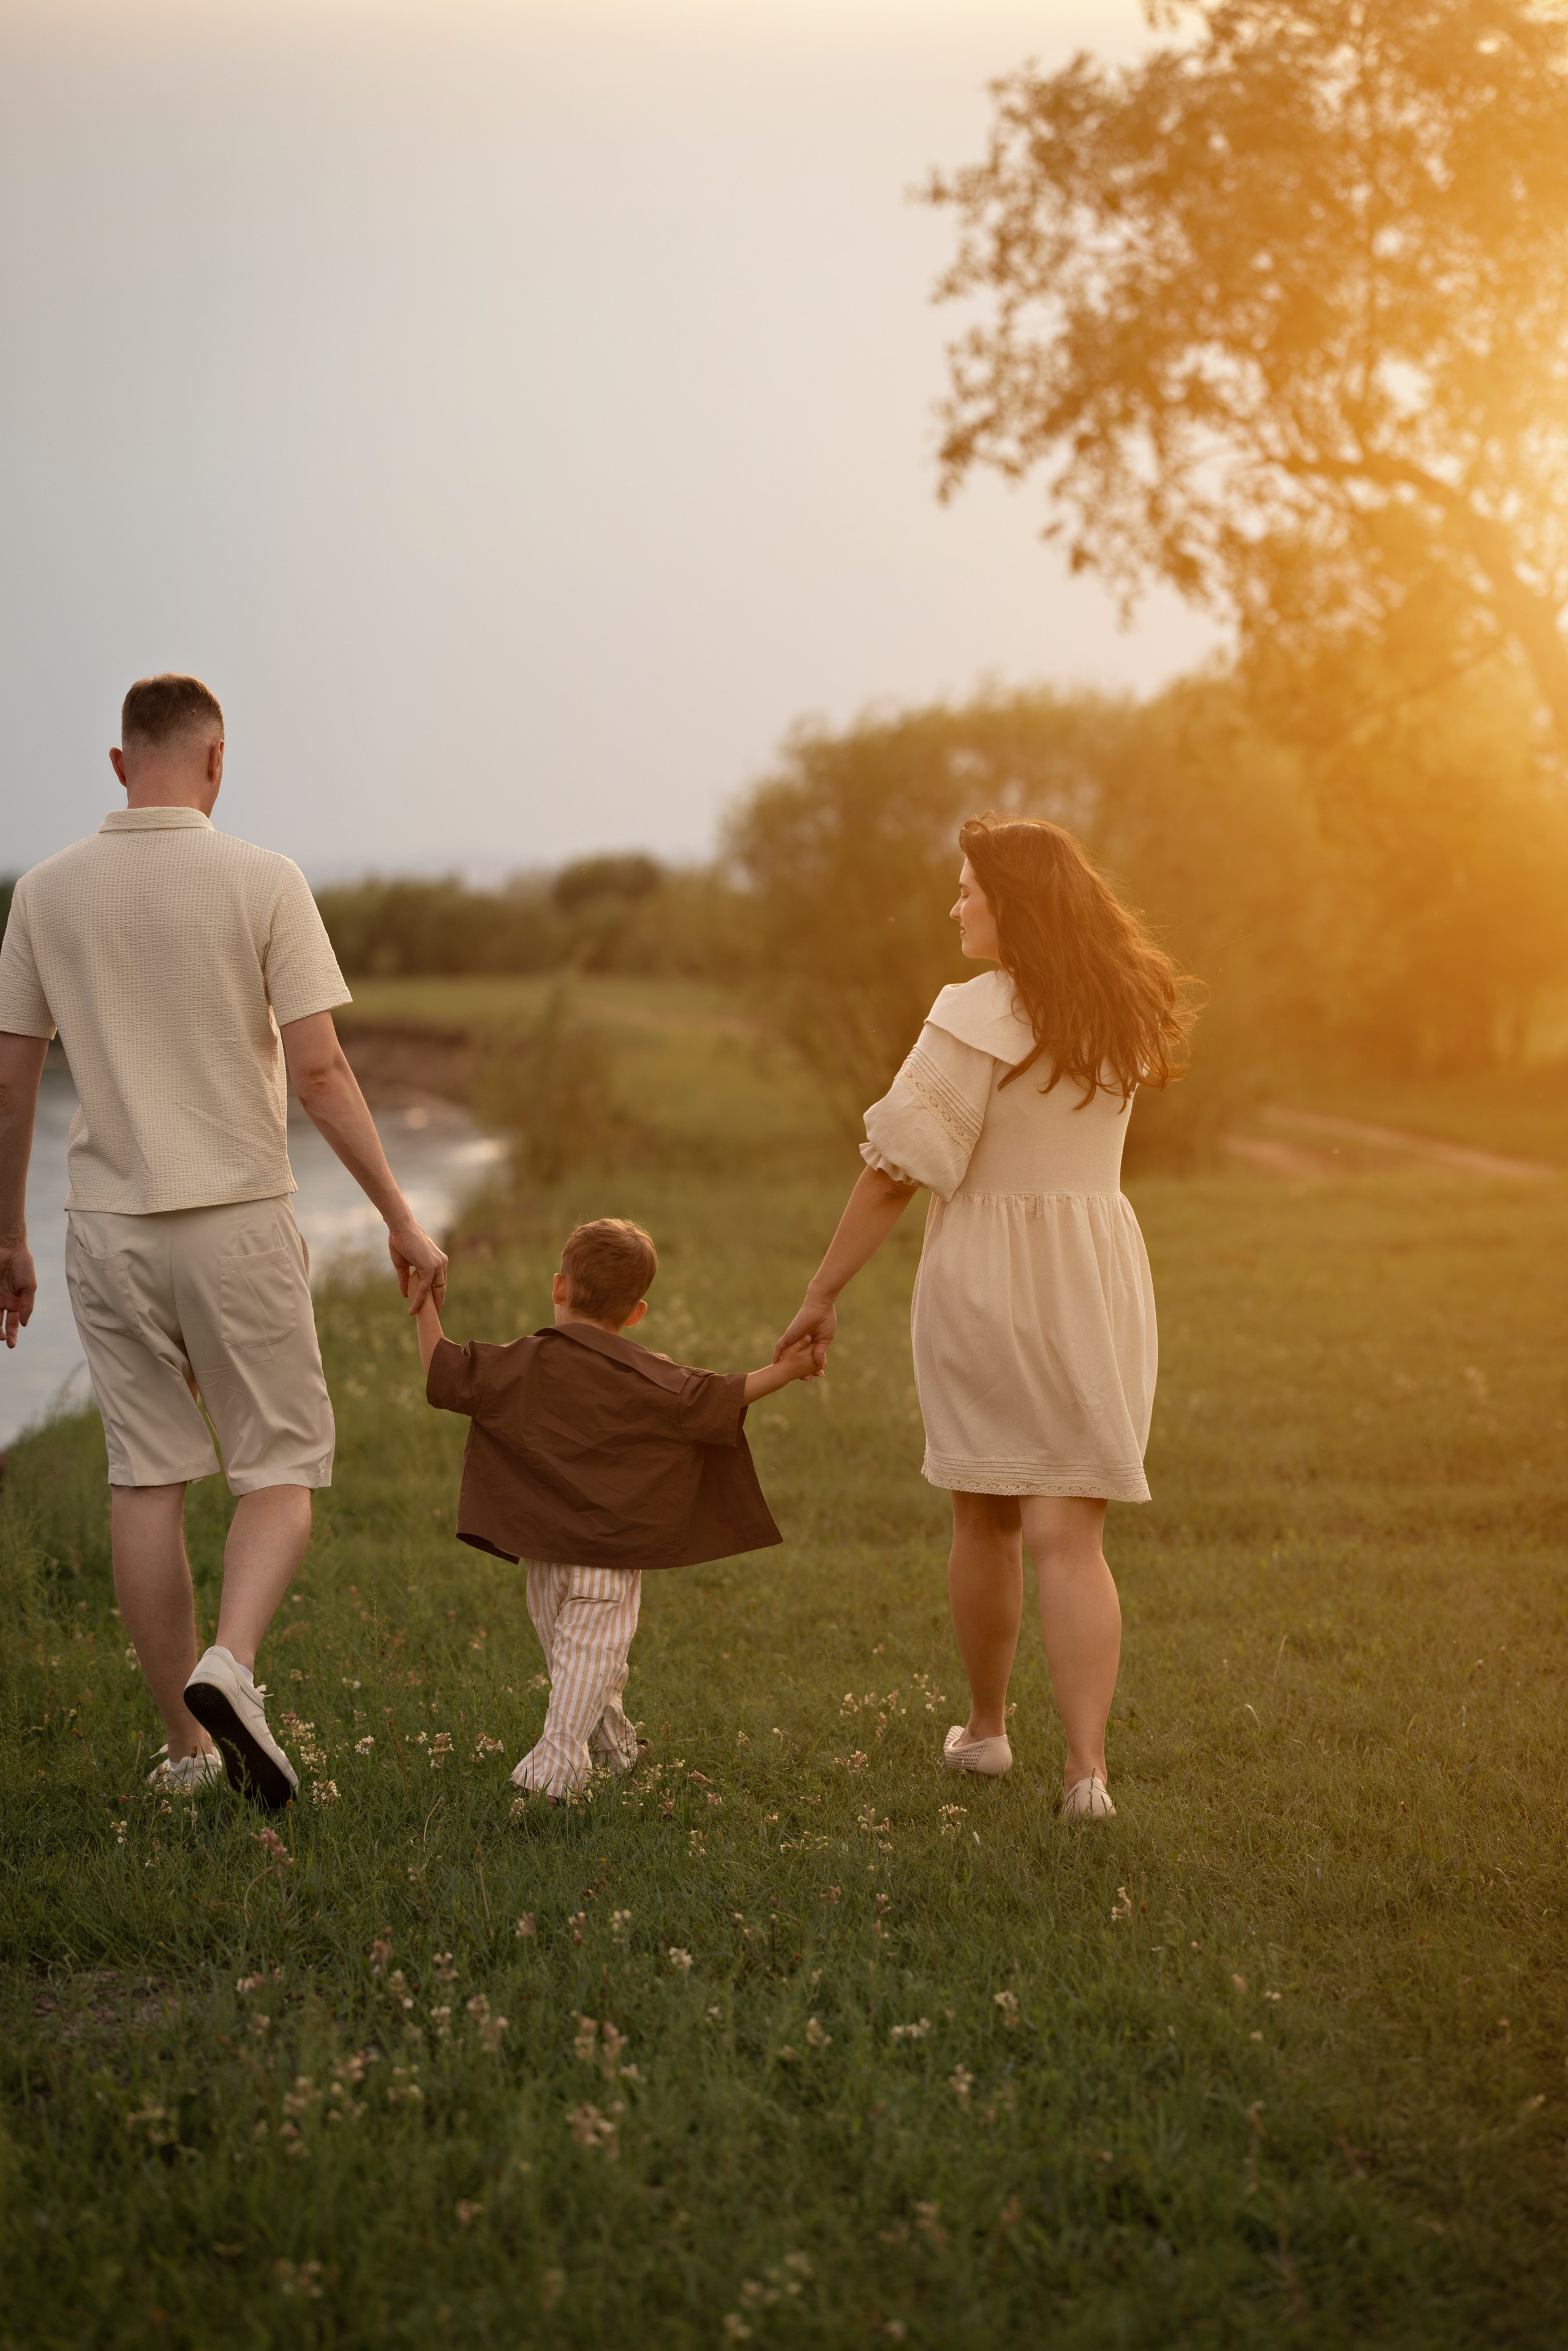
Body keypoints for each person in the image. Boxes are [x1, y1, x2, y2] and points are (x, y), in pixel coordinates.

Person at [0, 673, 448, 1806]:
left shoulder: (44, 891)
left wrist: (8, 1236)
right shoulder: (265, 878)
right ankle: (231, 1664)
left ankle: (186, 1754)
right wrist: (399, 1217)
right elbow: (320, 1070)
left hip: (107, 1226)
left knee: (145, 1479)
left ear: (119, 764)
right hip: (238, 1218)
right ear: (216, 759)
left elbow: (12, 1083)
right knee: (281, 1465)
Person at [775, 812, 1194, 1818]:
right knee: (1072, 1535)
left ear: (1013, 903)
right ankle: (1087, 1773)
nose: (954, 904)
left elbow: (894, 1174)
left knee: (985, 1513)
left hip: (989, 1278)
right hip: (1094, 1273)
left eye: (968, 888)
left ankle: (989, 1729)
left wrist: (821, 1293)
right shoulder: (1117, 1007)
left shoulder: (973, 1015)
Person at [414, 1215, 818, 1800]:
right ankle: (570, 1768)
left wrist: (424, 1302)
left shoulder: (518, 1362)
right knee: (586, 1662)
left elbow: (443, 1370)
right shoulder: (650, 1374)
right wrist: (789, 1368)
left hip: (544, 1559)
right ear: (636, 1314)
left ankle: (588, 1761)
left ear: (559, 1287)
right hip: (608, 1557)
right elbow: (722, 1393)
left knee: (579, 1662)